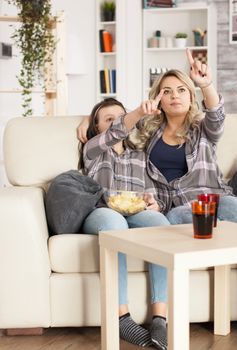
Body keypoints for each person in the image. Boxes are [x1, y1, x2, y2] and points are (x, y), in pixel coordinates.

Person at [130, 49, 237, 350]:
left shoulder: (203, 130)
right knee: (169, 226)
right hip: (175, 213)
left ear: (190, 98)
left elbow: (216, 113)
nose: (175, 95)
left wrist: (205, 83)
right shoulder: (146, 135)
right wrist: (88, 120)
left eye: (181, 90)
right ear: (158, 100)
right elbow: (122, 145)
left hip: (213, 201)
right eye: (167, 91)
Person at [79, 97, 170, 350]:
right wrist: (130, 115)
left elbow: (153, 189)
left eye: (122, 116)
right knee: (114, 225)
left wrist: (154, 201)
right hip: (102, 211)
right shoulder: (93, 150)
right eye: (110, 119)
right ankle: (121, 317)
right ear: (97, 128)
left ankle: (160, 317)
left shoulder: (139, 154)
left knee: (160, 224)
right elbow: (116, 130)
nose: (119, 123)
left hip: (135, 210)